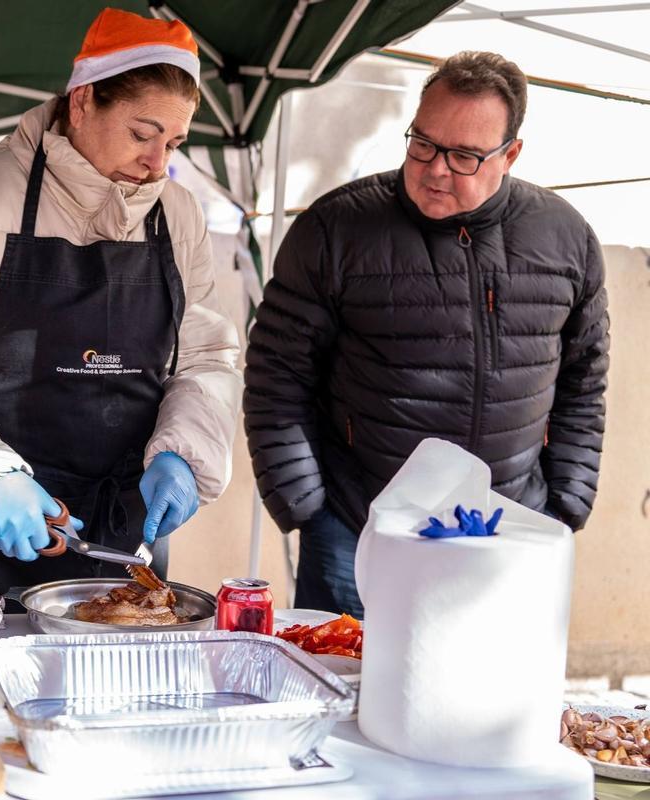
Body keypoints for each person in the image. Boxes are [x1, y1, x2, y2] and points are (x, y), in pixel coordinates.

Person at [0, 8, 240, 593]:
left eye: (173, 142)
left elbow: (205, 358)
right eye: (142, 134)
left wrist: (185, 454)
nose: (158, 162)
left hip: (128, 532)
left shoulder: (178, 215)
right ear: (84, 101)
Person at [244, 51, 610, 618]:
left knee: (492, 677)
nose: (436, 169)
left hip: (511, 531)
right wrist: (304, 503)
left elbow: (585, 382)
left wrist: (566, 503)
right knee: (347, 675)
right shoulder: (334, 229)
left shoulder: (567, 238)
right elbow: (276, 374)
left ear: (510, 154)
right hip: (359, 529)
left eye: (464, 156)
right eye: (423, 143)